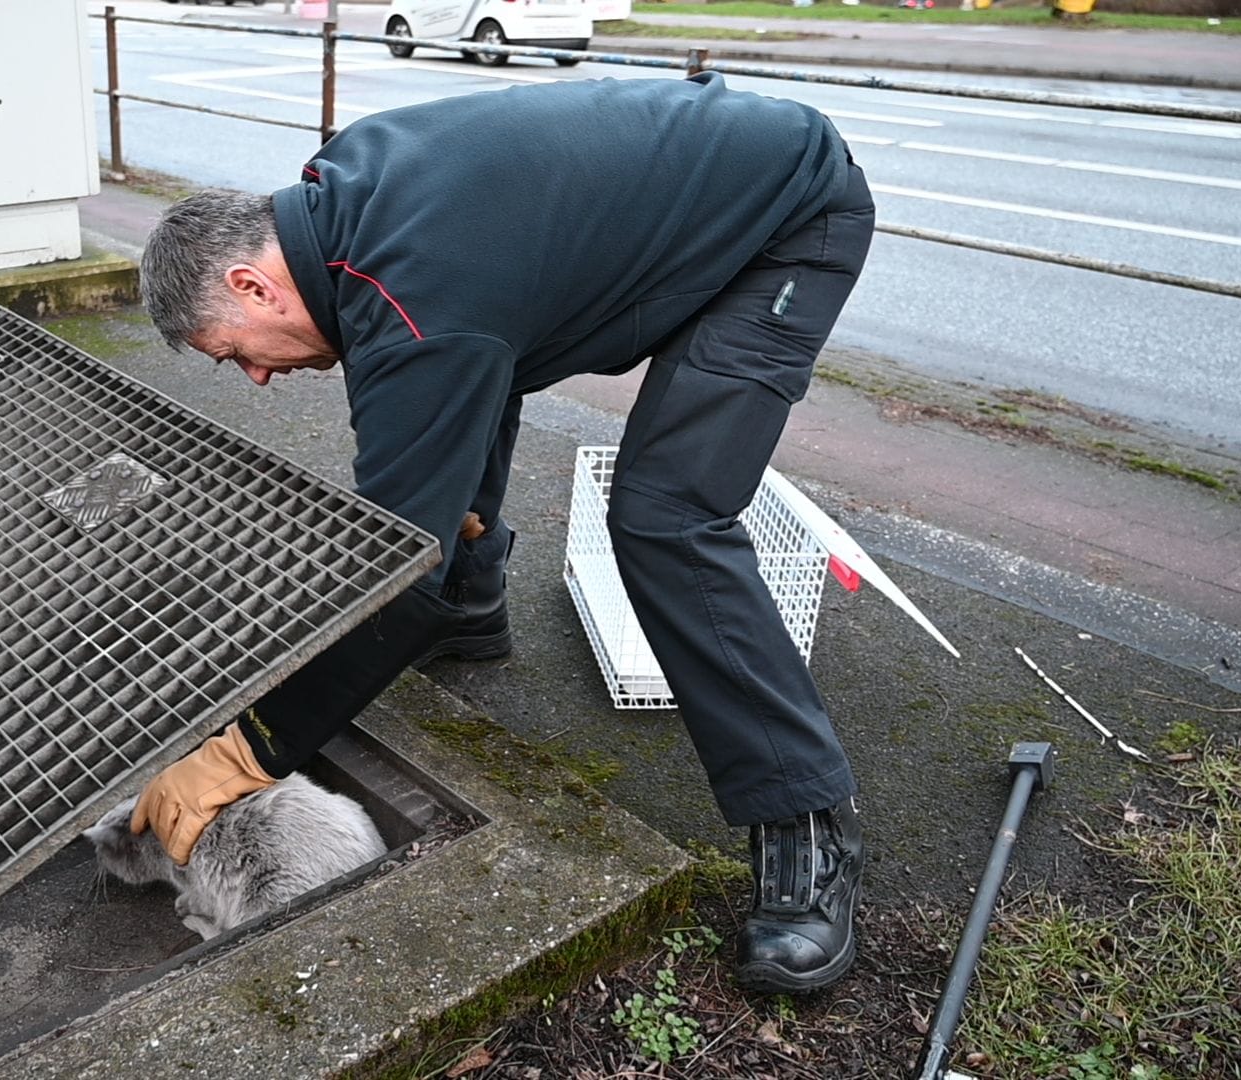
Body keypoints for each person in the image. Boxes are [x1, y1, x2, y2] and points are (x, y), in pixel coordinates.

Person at [130, 72, 876, 996]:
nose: (254, 378)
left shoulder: (415, 298)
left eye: (234, 351)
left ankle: (806, 823)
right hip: (683, 184)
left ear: (252, 283)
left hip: (786, 218)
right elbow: (415, 455)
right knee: (457, 399)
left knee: (666, 515)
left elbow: (396, 556)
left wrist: (248, 750)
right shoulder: (341, 215)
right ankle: (476, 609)